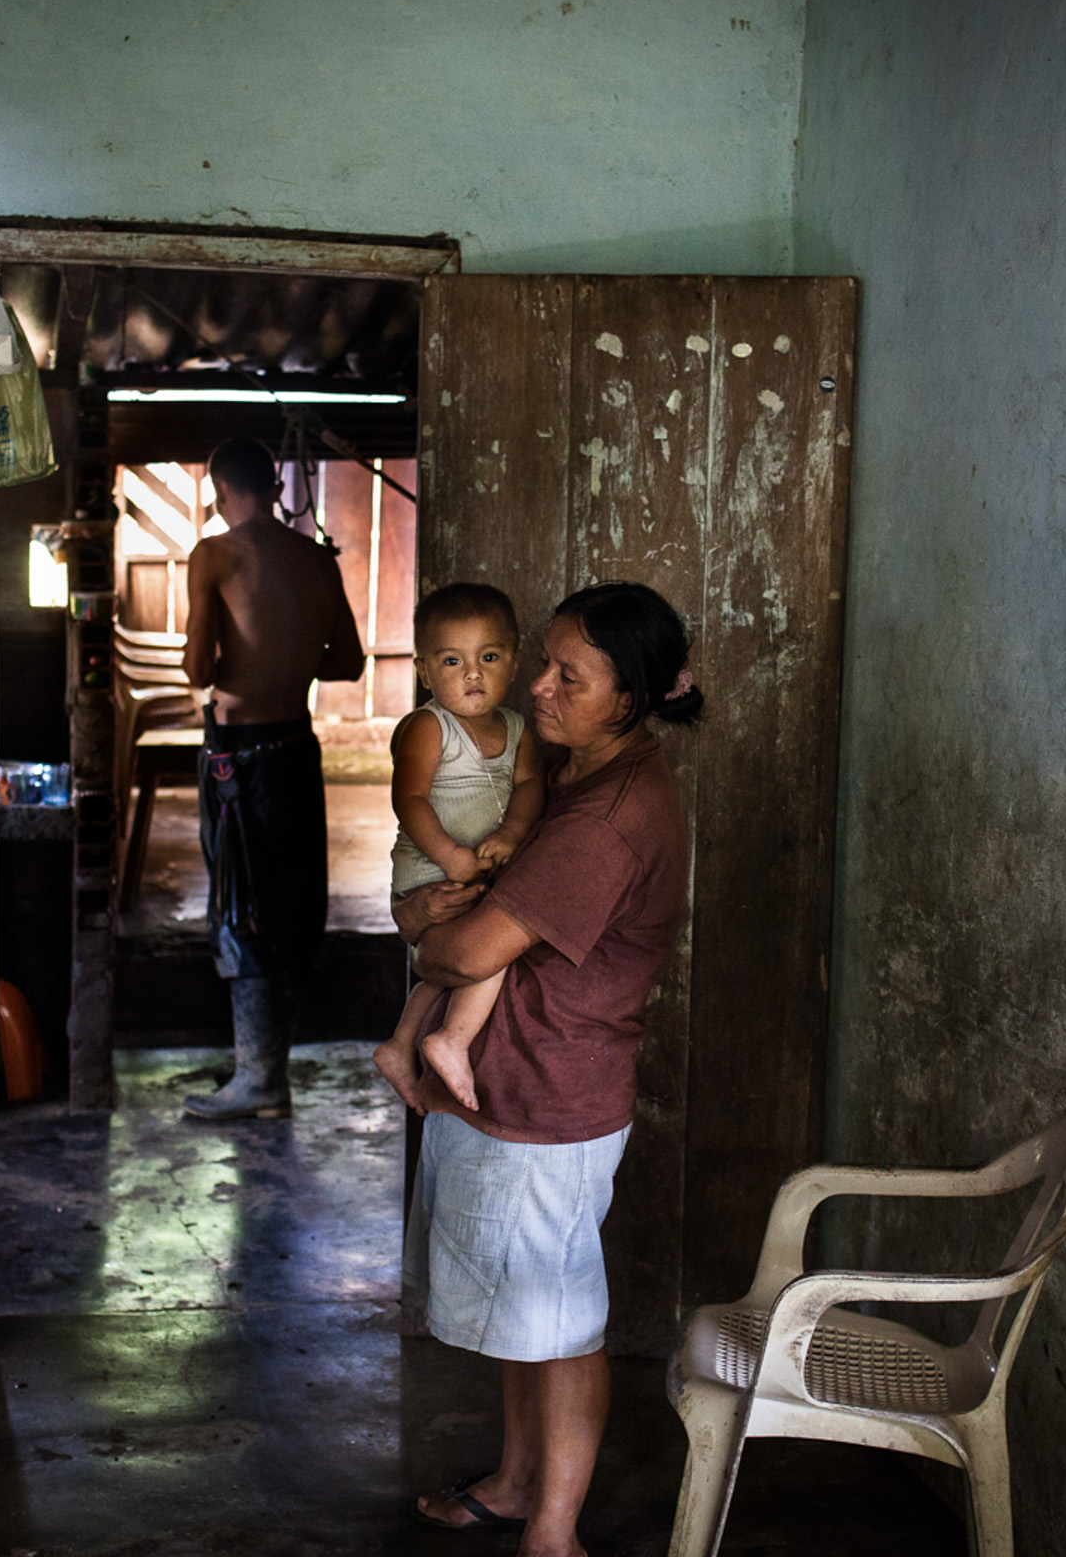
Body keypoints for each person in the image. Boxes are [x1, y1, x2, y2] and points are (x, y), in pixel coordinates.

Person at [396, 581, 703, 1555]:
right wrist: (427, 924)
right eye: (543, 663)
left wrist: (422, 937)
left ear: (629, 695)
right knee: (526, 1310)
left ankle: (554, 1530)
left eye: (568, 675)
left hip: (553, 1097)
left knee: (561, 1319)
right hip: (514, 1085)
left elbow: (466, 951)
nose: (536, 687)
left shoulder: (606, 819)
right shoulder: (576, 777)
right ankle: (518, 1480)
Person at [178, 437, 365, 1120]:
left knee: (242, 903)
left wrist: (237, 652)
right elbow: (347, 663)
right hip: (296, 747)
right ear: (275, 487)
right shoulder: (316, 558)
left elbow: (197, 670)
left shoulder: (215, 554)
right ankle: (271, 1078)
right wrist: (288, 650)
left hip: (238, 758)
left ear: (219, 489)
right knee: (290, 901)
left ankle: (258, 1080)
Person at [372, 583, 545, 1113]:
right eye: (452, 661)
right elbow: (411, 799)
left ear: (513, 663)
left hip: (477, 870)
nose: (473, 673)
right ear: (426, 671)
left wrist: (513, 833)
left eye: (488, 657)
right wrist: (451, 857)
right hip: (432, 867)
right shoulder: (431, 727)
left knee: (452, 958)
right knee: (485, 950)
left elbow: (530, 786)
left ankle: (401, 1046)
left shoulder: (518, 729)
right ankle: (449, 1041)